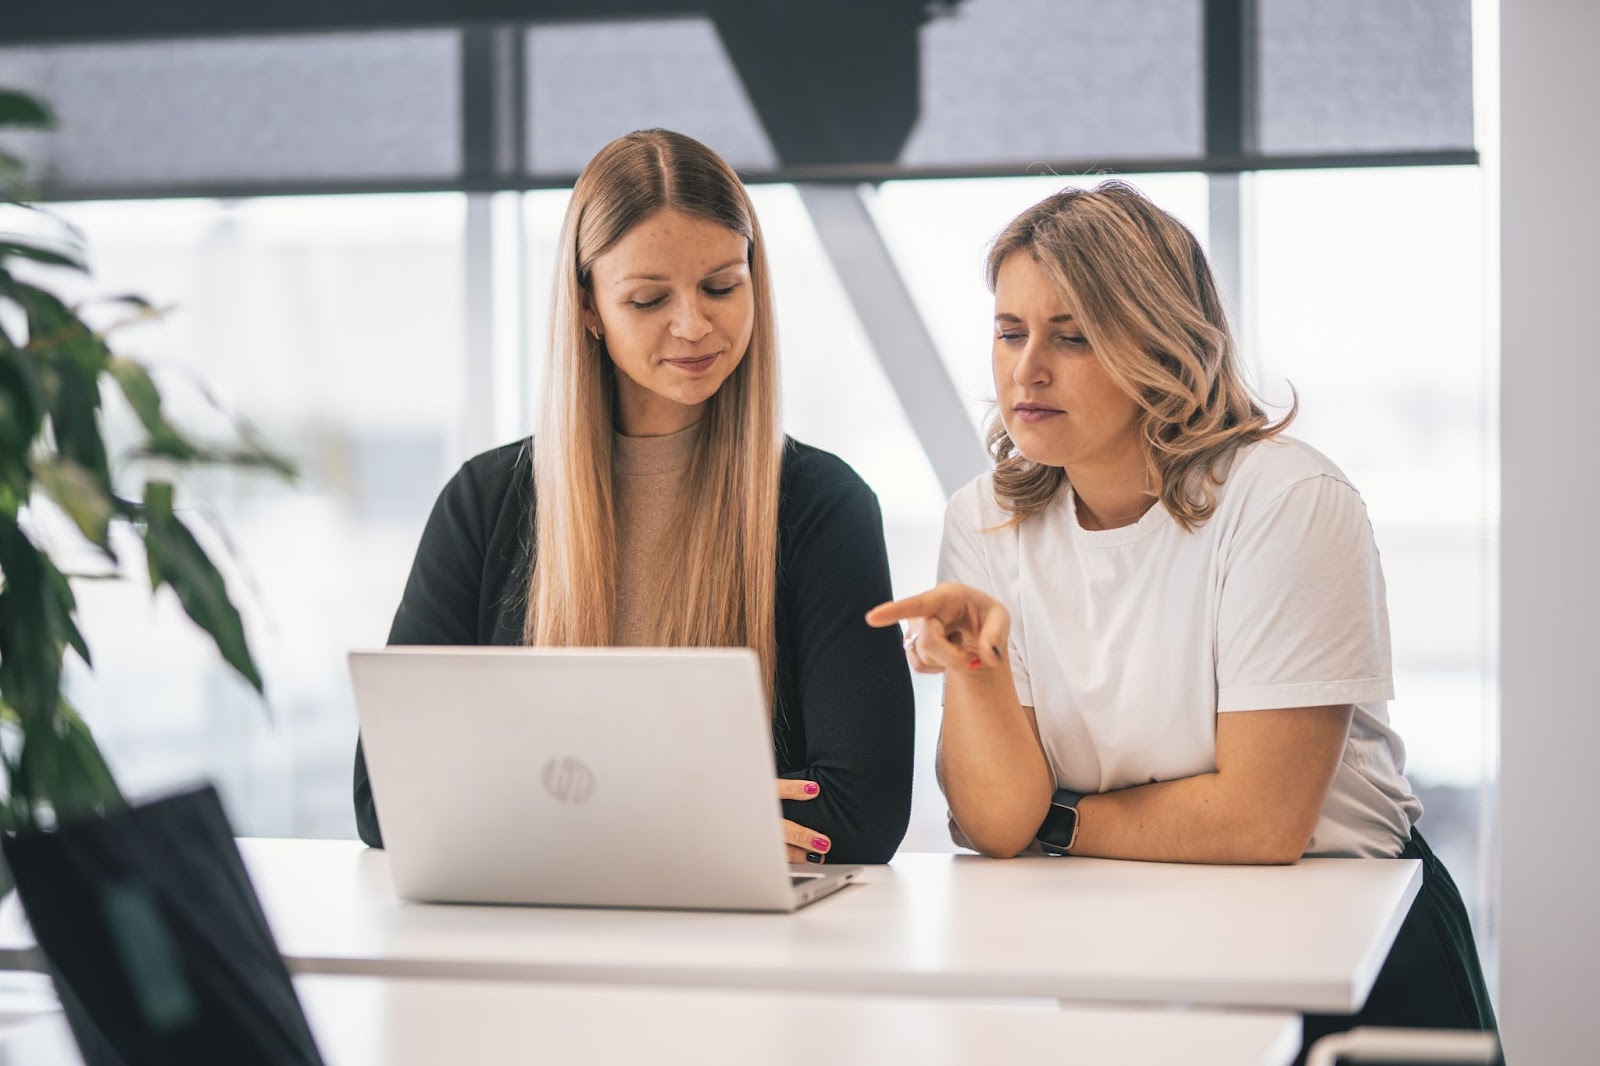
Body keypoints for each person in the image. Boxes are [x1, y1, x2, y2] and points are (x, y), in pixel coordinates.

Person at [867, 181, 1495, 1050]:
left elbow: (1263, 821)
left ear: (1159, 344)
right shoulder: (984, 518)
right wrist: (975, 674)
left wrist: (1063, 821)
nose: (1027, 368)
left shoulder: (1285, 499)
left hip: (1346, 939)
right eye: (1010, 332)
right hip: (1122, 939)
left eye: (1073, 336)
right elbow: (994, 826)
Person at [355, 129, 914, 866]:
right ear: (588, 309)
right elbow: (386, 801)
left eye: (722, 286)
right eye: (648, 298)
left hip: (745, 949)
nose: (694, 325)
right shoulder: (484, 503)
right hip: (535, 934)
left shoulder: (822, 506)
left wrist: (547, 814)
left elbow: (860, 815)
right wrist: (710, 823)